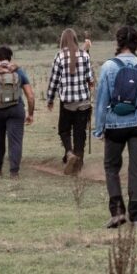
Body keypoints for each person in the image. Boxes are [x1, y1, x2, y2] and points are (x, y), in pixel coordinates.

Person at [92, 25, 137, 227]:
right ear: (136, 42)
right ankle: (136, 217)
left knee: (111, 166)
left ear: (118, 42)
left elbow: (102, 100)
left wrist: (99, 128)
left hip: (115, 124)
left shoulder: (108, 67)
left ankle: (118, 212)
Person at [0, 46, 34, 177]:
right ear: (10, 58)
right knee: (15, 141)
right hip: (16, 110)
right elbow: (30, 96)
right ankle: (14, 172)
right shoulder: (19, 72)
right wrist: (31, 114)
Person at [45, 27, 94, 175]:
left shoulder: (59, 56)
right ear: (75, 39)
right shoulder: (85, 56)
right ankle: (78, 166)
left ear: (63, 41)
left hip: (67, 103)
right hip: (84, 102)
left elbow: (54, 80)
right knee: (80, 133)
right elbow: (90, 80)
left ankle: (69, 153)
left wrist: (50, 98)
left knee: (64, 130)